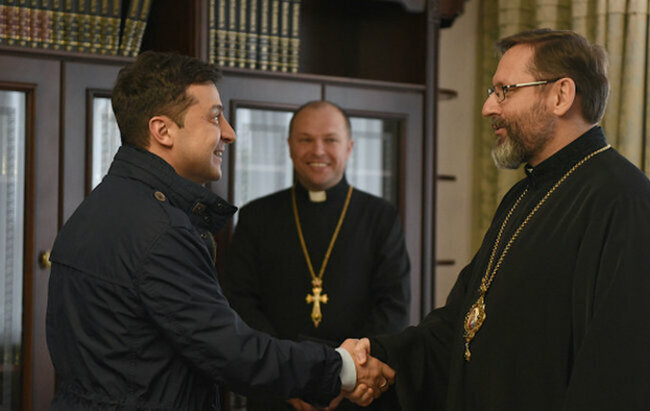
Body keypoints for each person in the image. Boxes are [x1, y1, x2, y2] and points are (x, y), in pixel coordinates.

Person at [349, 28, 650, 409]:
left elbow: (625, 376)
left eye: (505, 91)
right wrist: (380, 355)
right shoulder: (522, 196)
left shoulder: (622, 201)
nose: (489, 108)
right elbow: (464, 327)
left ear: (561, 95)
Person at [45, 51, 394, 410]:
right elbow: (232, 351)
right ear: (162, 130)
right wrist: (342, 368)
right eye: (214, 117)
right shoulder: (162, 231)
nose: (229, 133)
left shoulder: (99, 207)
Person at [222, 100, 411, 410]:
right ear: (289, 146)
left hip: (357, 394)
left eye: (330, 140)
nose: (318, 151)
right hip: (276, 389)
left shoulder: (381, 217)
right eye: (306, 139)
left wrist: (345, 378)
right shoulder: (257, 216)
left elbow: (393, 307)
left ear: (349, 147)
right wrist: (289, 376)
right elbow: (240, 302)